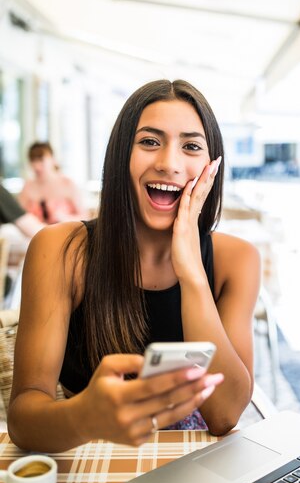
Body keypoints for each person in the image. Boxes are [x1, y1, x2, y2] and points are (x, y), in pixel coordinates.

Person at [8, 79, 260, 453]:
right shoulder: (59, 249)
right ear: (120, 156)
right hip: (86, 450)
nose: (168, 163)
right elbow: (23, 419)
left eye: (191, 146)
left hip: (192, 459)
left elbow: (224, 416)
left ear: (211, 167)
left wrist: (191, 270)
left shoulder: (236, 260)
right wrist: (86, 415)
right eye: (149, 141)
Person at [19, 141, 87, 224]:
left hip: (64, 234)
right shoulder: (28, 186)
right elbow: (18, 216)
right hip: (34, 235)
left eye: (41, 160)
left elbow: (85, 217)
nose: (36, 166)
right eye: (33, 161)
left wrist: (66, 218)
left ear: (52, 159)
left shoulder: (67, 184)